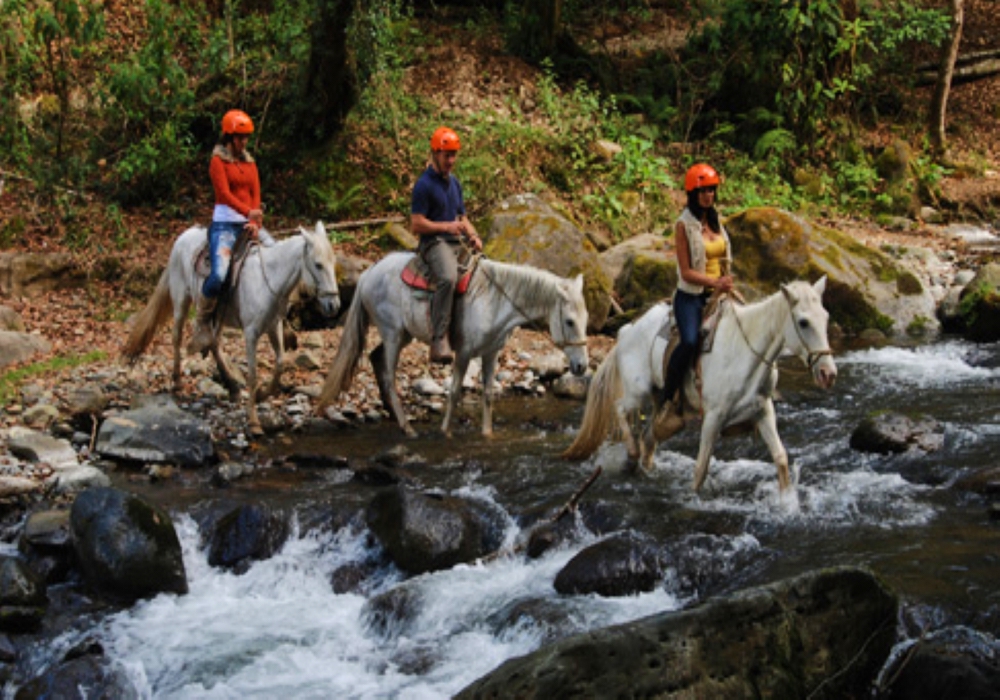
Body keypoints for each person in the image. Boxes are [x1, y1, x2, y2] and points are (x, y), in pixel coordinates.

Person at [188, 109, 275, 355]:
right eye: (240, 137)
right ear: (229, 137)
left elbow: (256, 193)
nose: (244, 142)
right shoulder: (218, 161)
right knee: (218, 274)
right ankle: (203, 321)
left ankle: (281, 317)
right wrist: (248, 212)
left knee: (277, 258)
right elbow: (224, 195)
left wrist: (255, 221)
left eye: (246, 137)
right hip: (225, 224)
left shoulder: (249, 162)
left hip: (249, 224)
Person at [657, 163, 734, 415]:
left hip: (719, 294)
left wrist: (725, 282)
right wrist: (715, 283)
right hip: (691, 297)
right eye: (703, 191)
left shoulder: (716, 222)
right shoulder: (683, 225)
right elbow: (687, 271)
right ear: (692, 193)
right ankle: (669, 395)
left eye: (711, 190)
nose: (708, 195)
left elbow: (723, 258)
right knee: (689, 341)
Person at [410, 126, 483, 364]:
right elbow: (417, 224)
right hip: (434, 243)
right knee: (448, 277)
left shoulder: (455, 184)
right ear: (435, 154)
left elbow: (462, 217)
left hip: (454, 240)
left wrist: (473, 235)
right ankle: (439, 338)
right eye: (447, 155)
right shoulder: (423, 185)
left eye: (454, 155)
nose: (451, 160)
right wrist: (446, 227)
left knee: (482, 271)